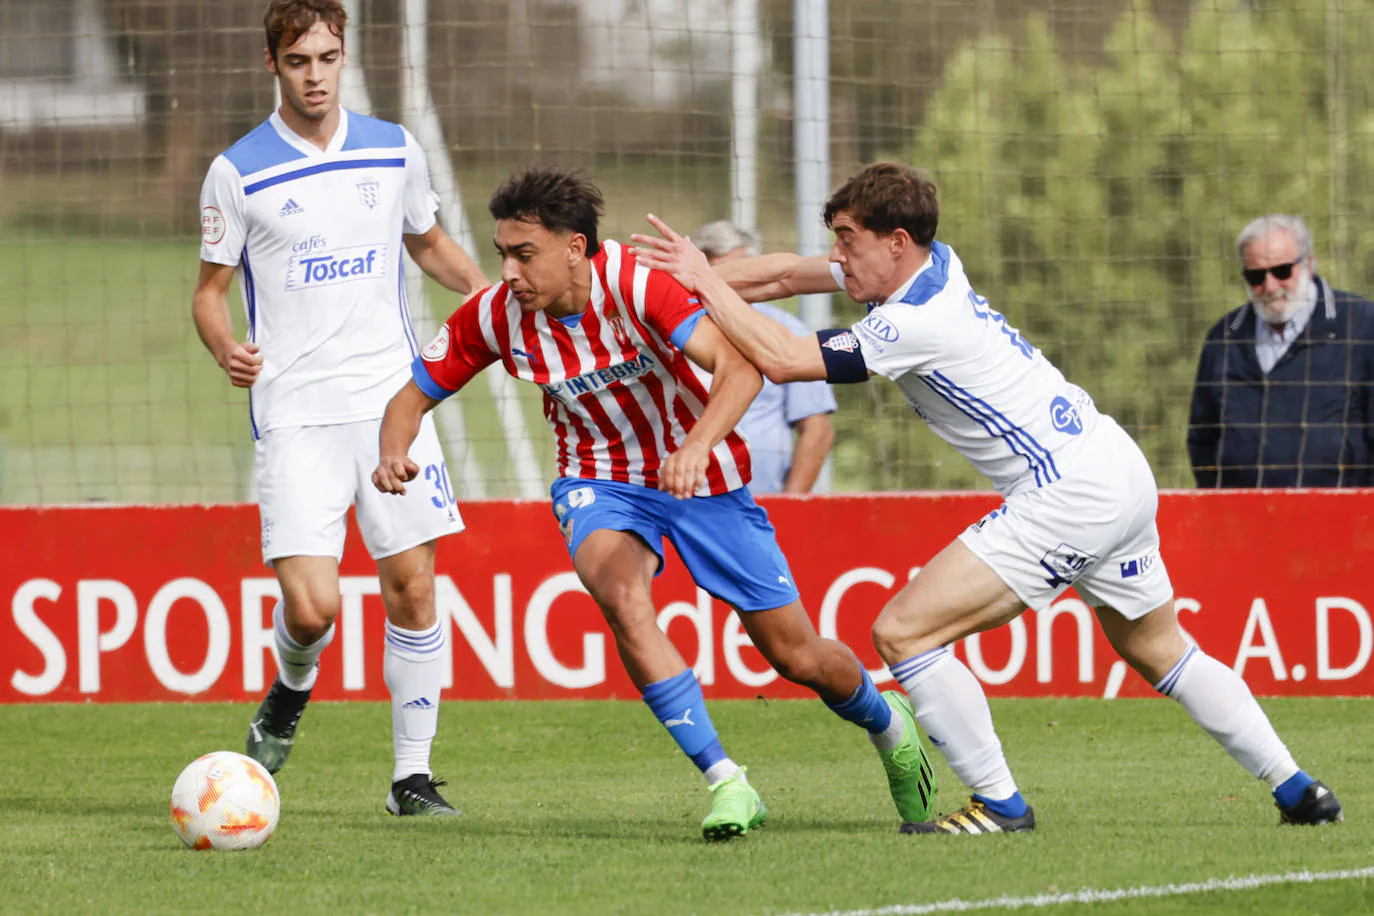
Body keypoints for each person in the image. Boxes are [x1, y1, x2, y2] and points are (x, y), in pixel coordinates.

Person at [631, 161, 1343, 834]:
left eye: (847, 241)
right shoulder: (930, 264)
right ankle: (1299, 790)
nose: (837, 257)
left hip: (1067, 490)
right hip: (1111, 466)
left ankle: (1000, 804)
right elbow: (784, 274)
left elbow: (785, 359)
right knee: (1163, 650)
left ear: (896, 242)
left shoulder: (916, 321)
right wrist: (667, 283)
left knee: (903, 632)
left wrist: (704, 283)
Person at [372, 165, 936, 840]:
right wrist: (392, 451)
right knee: (620, 595)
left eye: (524, 254)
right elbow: (410, 398)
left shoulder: (639, 285)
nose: (510, 271)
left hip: (704, 477)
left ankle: (886, 724)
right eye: (502, 254)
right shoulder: (496, 315)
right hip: (599, 478)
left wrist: (697, 444)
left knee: (796, 655)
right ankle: (727, 780)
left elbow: (740, 369)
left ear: (575, 247)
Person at [191, 0, 487, 817]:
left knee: (413, 587)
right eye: (298, 62)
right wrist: (227, 348)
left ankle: (411, 779)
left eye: (327, 58)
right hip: (294, 413)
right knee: (314, 605)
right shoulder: (238, 170)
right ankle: (291, 685)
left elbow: (426, 242)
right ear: (271, 66)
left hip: (391, 400)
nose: (315, 75)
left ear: (345, 55)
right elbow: (209, 294)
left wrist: (490, 296)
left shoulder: (393, 148)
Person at [1188, 214, 1374, 487]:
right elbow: (1203, 438)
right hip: (1244, 517)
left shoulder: (1362, 325)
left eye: (1282, 271)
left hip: (1344, 515)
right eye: (1256, 276)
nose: (1271, 286)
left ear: (1308, 263)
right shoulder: (1225, 338)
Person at [691, 221, 837, 494]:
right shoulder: (670, 331)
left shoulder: (786, 331)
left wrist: (791, 504)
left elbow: (817, 430)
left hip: (764, 500)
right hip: (681, 501)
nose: (737, 281)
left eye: (745, 269)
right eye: (725, 274)